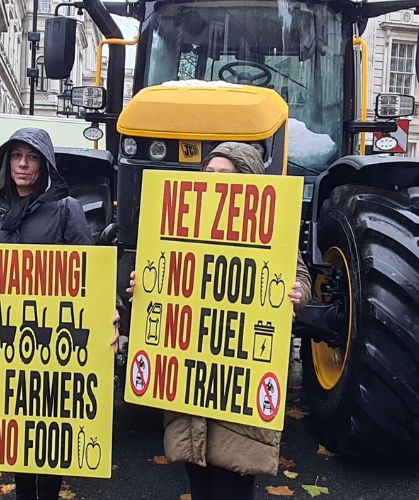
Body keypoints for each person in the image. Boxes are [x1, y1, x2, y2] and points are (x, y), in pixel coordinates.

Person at [126, 142, 311, 500]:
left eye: (225, 175)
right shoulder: (180, 226)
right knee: (198, 479)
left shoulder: (270, 229)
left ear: (249, 181)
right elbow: (163, 274)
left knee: (232, 484)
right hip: (190, 378)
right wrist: (144, 285)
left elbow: (299, 275)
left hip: (238, 383)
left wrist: (297, 292)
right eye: (208, 174)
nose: (214, 182)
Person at [0, 129, 94, 500]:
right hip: (8, 338)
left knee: (49, 429)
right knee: (17, 427)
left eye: (32, 157)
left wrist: (106, 314)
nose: (23, 164)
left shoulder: (66, 208)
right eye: (16, 156)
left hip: (51, 338)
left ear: (45, 164)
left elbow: (87, 270)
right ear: (6, 161)